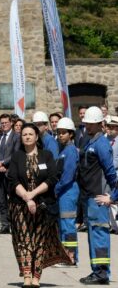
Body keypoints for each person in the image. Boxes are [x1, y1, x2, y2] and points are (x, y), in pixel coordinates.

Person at [8, 123, 71, 288]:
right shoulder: (17, 156)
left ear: (37, 137)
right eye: (24, 134)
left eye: (30, 134)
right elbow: (12, 179)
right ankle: (27, 275)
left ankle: (37, 277)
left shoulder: (47, 155)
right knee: (24, 240)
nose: (27, 136)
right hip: (20, 205)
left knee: (39, 241)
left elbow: (52, 178)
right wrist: (27, 198)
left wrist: (33, 194)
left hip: (43, 204)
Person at [78, 106, 117, 285]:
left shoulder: (101, 144)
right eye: (87, 123)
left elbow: (111, 174)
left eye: (92, 124)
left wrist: (112, 197)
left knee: (99, 235)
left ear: (100, 124)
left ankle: (102, 273)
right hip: (90, 198)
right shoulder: (90, 141)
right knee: (93, 235)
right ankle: (96, 271)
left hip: (99, 198)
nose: (88, 126)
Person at [54, 117, 80, 267]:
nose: (60, 135)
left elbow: (67, 176)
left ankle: (70, 257)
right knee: (63, 224)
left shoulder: (70, 151)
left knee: (68, 224)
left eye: (64, 133)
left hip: (68, 190)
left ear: (71, 134)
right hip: (64, 190)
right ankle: (66, 255)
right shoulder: (64, 150)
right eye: (59, 133)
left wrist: (56, 189)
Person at [0, 113, 20, 234]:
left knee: (13, 200)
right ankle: (4, 224)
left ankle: (15, 225)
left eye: (6, 123)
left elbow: (15, 153)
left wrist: (3, 163)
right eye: (2, 123)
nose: (4, 125)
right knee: (1, 200)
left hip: (10, 173)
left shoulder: (16, 137)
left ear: (11, 123)